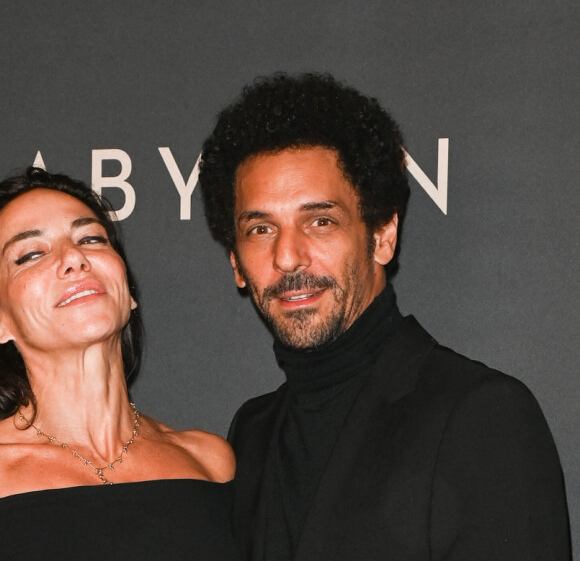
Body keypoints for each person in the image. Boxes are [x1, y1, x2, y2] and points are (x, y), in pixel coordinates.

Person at [198, 73, 571, 560]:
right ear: (236, 264)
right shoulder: (251, 434)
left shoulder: (481, 416)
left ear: (382, 235)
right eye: (261, 228)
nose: (288, 257)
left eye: (320, 221)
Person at [0, 167, 241, 560]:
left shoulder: (210, 462)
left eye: (91, 238)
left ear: (128, 291)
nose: (74, 258)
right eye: (30, 254)